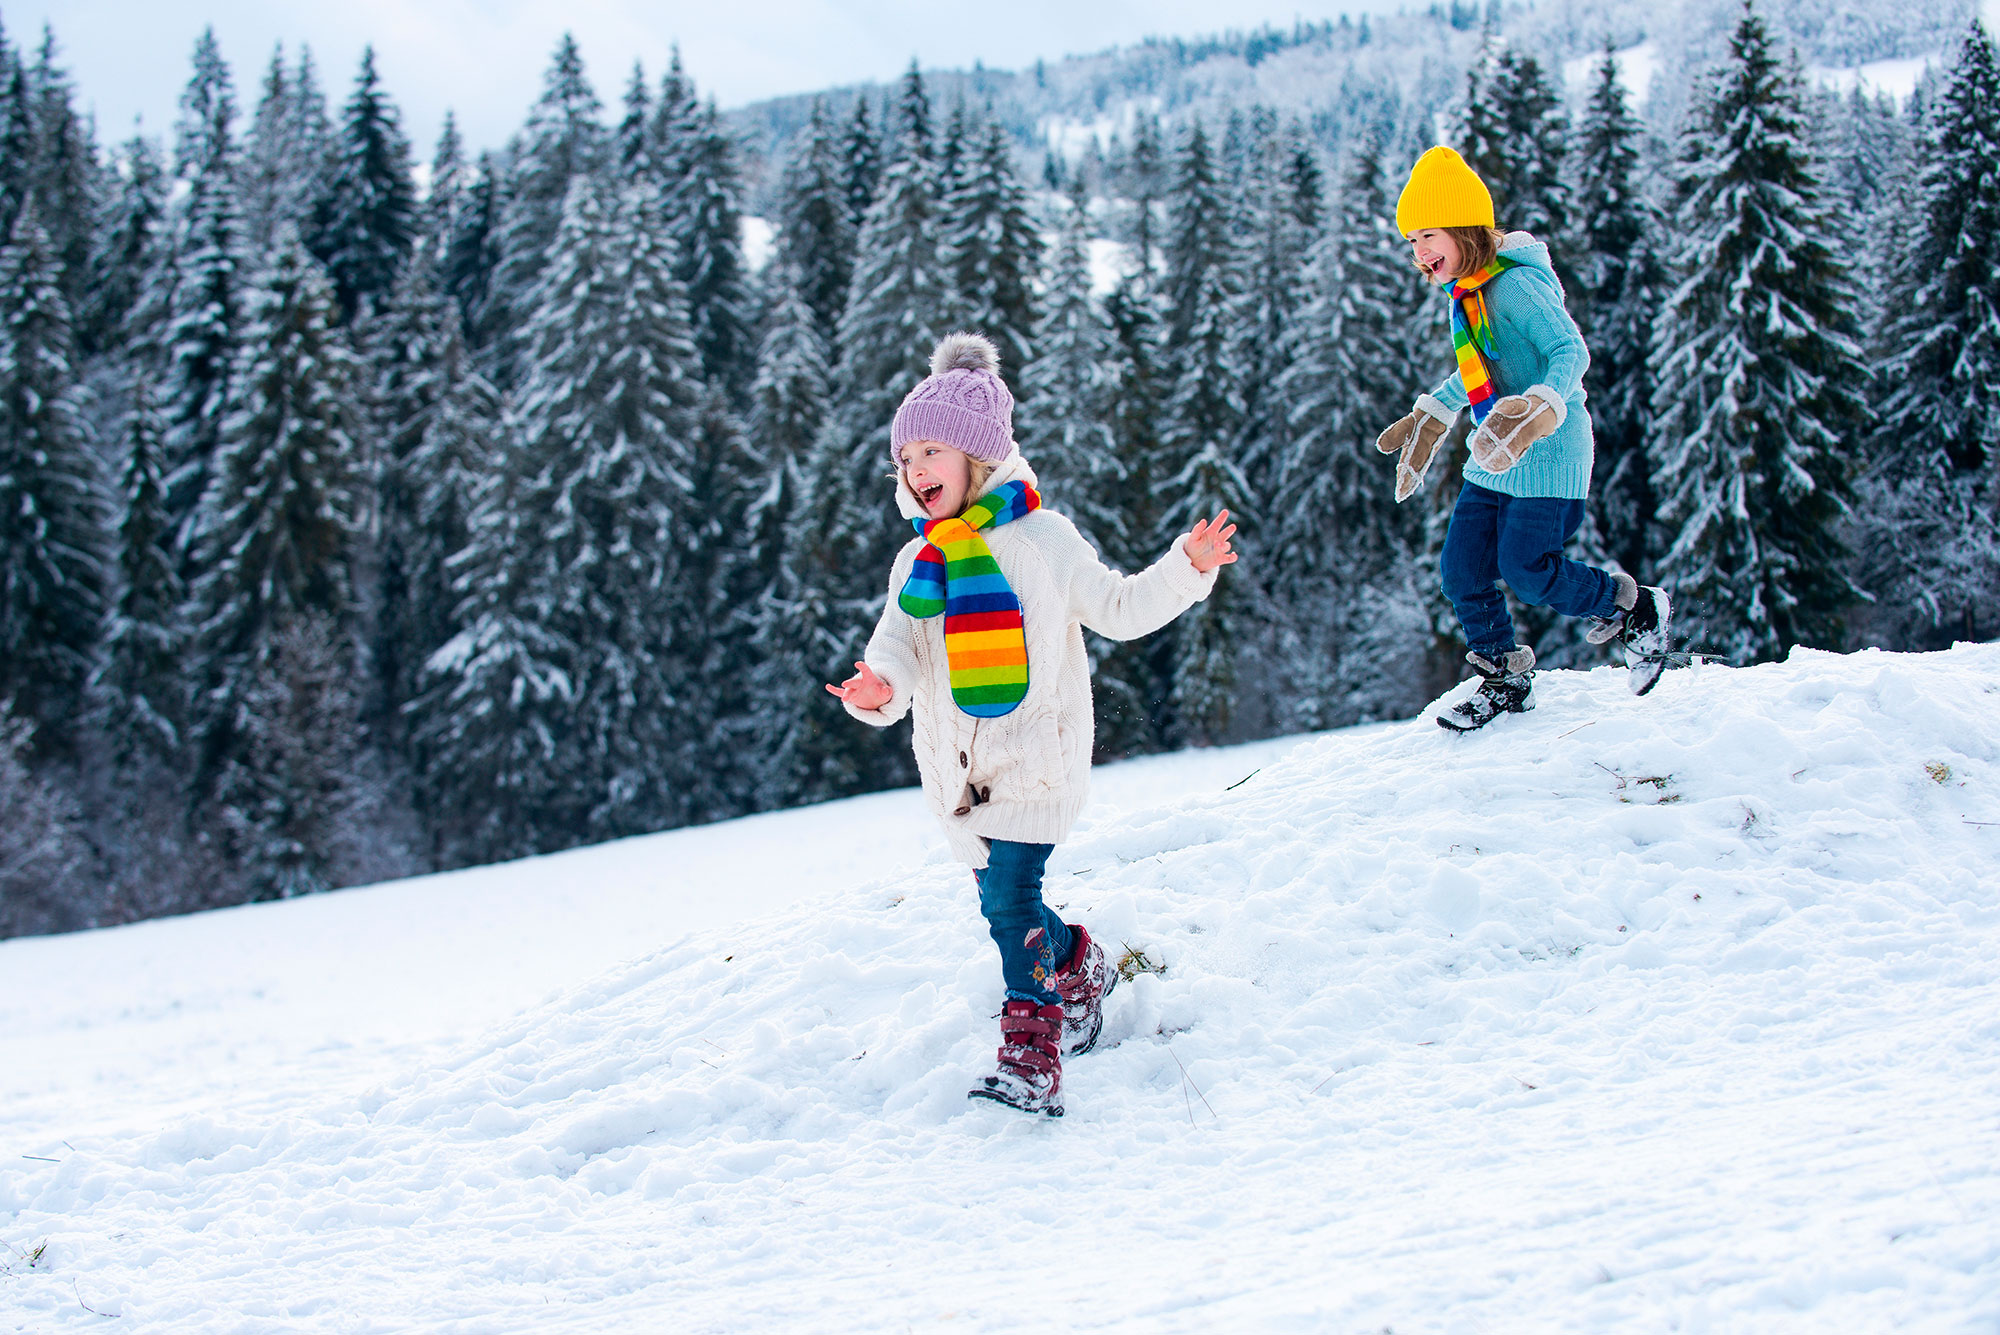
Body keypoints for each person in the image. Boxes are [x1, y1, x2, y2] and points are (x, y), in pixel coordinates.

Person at [827, 331, 1236, 1116]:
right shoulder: (918, 561)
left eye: (932, 451)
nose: (915, 470)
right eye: (905, 455)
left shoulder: (1041, 540)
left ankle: (1033, 1050)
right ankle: (1079, 963)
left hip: (1033, 762)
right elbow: (898, 652)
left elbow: (1118, 608)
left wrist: (1188, 566)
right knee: (1001, 904)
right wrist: (876, 687)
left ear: (978, 457)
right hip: (959, 773)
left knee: (1011, 903)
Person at [1374, 145, 1673, 727]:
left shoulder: (1514, 287)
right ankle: (1505, 678)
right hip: (1495, 450)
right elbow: (1482, 368)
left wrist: (1543, 403)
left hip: (1550, 451)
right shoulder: (1468, 291)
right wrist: (1436, 409)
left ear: (1463, 228)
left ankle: (1633, 607)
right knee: (1462, 568)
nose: (1418, 252)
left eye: (1426, 235)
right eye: (1411, 241)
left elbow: (1570, 351)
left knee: (1529, 569)